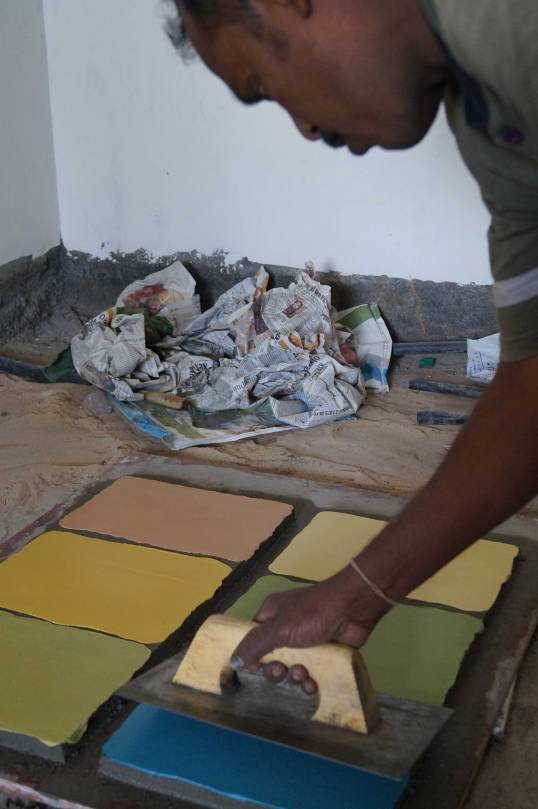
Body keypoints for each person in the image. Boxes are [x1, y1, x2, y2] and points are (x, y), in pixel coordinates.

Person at [167, 0, 538, 696]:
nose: (305, 127)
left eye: (261, 84)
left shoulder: (511, 29)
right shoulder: (492, 129)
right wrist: (356, 595)